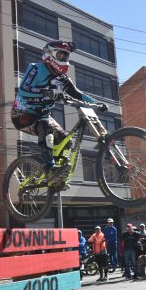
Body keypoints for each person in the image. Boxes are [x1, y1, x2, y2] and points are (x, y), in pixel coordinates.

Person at [11, 40, 101, 186]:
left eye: (66, 56)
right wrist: (46, 92)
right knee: (46, 126)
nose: (64, 59)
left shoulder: (62, 78)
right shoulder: (36, 68)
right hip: (23, 114)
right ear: (49, 54)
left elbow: (77, 94)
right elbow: (23, 90)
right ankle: (50, 168)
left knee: (66, 141)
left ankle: (57, 178)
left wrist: (97, 103)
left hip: (43, 116)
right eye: (60, 55)